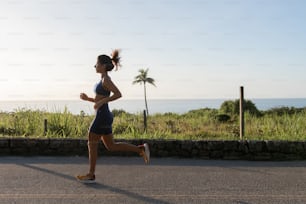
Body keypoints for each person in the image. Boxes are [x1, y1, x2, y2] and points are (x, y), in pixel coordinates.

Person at [76, 49, 150, 183]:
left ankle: (91, 174)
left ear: (103, 66)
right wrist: (88, 99)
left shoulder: (106, 80)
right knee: (111, 146)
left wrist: (102, 102)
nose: (95, 66)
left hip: (102, 116)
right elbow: (100, 99)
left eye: (97, 63)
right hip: (105, 115)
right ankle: (140, 149)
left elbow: (118, 94)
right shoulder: (103, 80)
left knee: (91, 143)